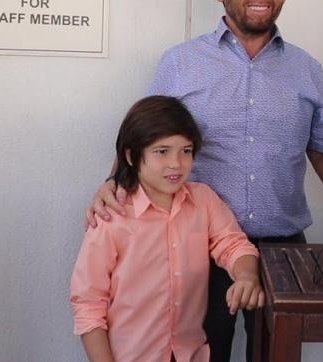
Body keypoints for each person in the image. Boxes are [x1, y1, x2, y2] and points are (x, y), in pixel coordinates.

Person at [85, 0, 323, 362]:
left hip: (282, 248)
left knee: (277, 354)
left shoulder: (306, 69)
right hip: (196, 244)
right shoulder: (181, 62)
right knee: (202, 353)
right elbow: (147, 134)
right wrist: (115, 182)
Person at [70, 96, 263, 362]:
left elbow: (233, 244)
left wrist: (247, 276)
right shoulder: (110, 216)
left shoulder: (204, 200)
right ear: (131, 155)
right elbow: (89, 304)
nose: (176, 163)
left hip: (191, 354)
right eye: (162, 151)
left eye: (186, 151)